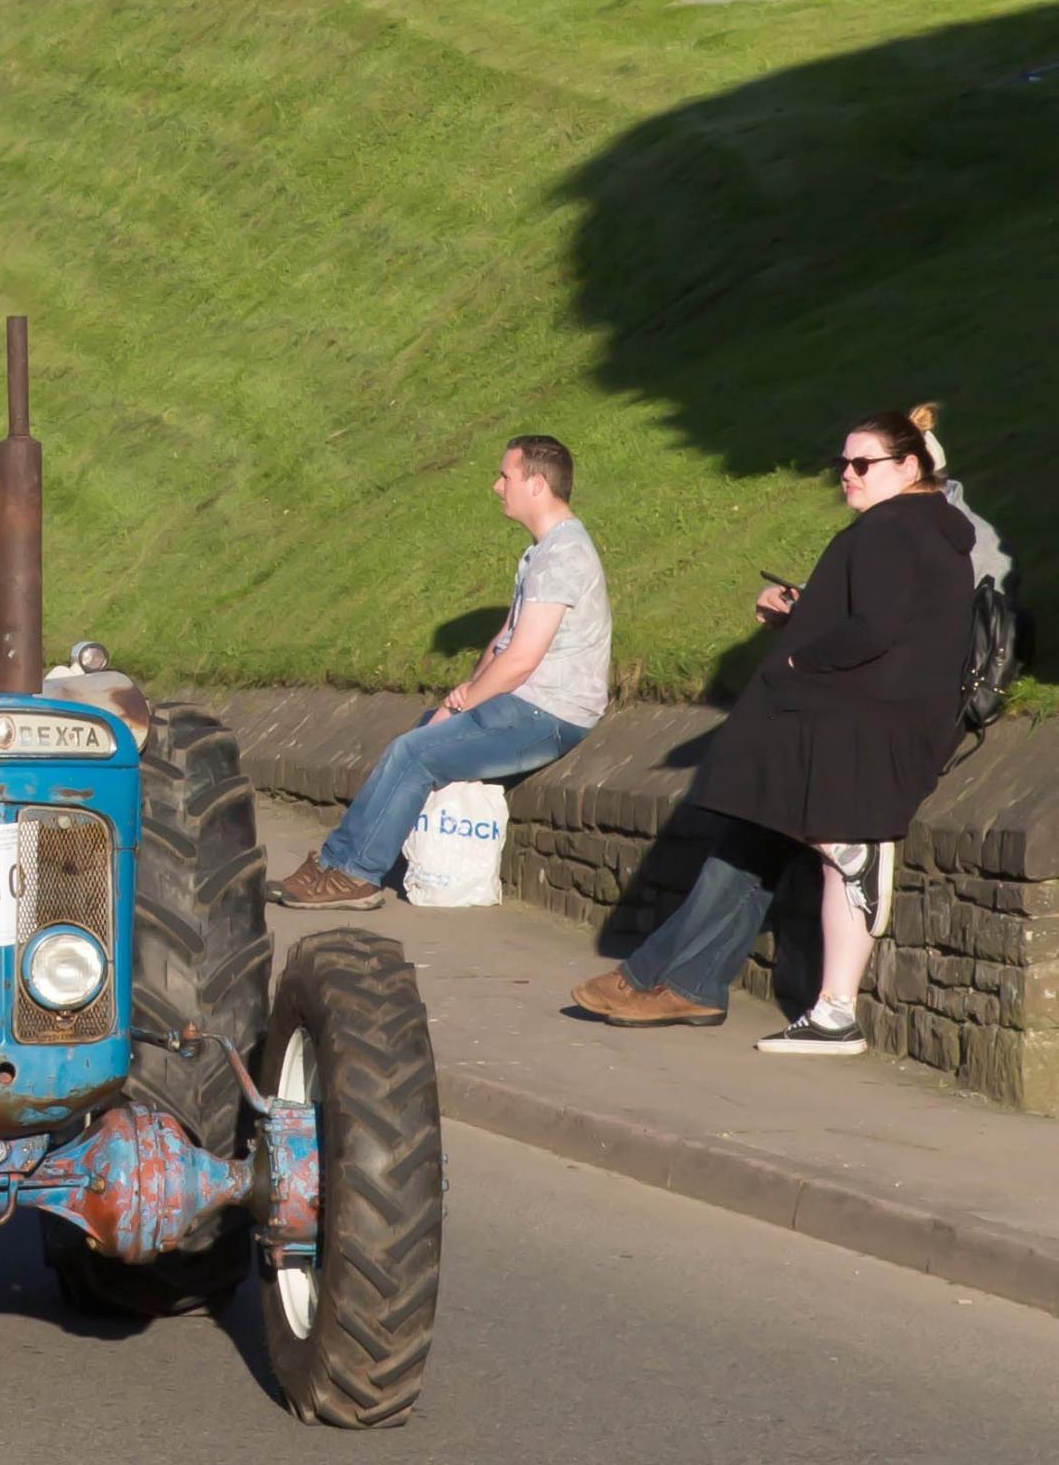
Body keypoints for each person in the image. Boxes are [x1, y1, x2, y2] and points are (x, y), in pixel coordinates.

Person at [576, 408, 976, 1053]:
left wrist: (796, 659)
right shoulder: (924, 529)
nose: (847, 474)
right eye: (841, 464)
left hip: (852, 731)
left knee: (778, 836)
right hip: (871, 722)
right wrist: (800, 611)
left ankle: (667, 978)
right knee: (745, 843)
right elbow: (884, 618)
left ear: (908, 467)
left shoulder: (891, 527)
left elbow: (873, 628)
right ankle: (682, 982)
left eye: (863, 464)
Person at [275, 434, 610, 909]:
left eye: (506, 476)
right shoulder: (543, 550)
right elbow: (504, 641)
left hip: (550, 715)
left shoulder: (564, 555)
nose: (497, 486)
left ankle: (352, 873)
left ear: (536, 484)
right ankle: (350, 862)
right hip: (529, 705)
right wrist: (463, 695)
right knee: (420, 734)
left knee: (414, 754)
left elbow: (521, 660)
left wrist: (465, 704)